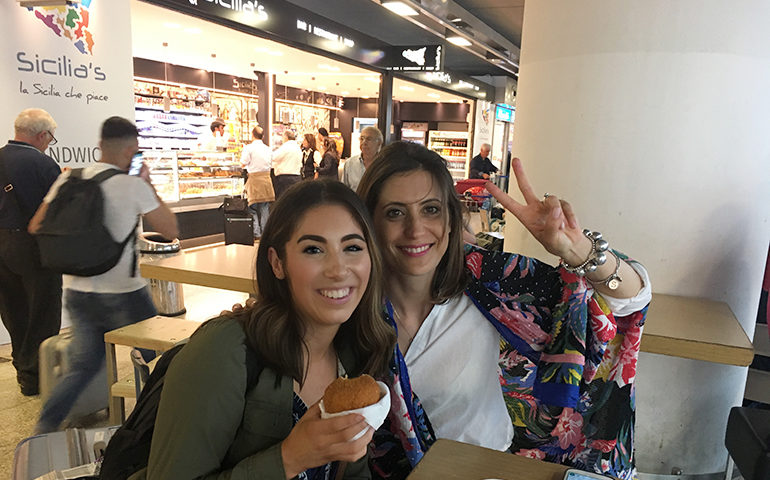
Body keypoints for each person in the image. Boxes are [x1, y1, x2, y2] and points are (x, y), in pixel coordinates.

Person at [358, 142, 651, 479]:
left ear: (452, 219)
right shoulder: (349, 312)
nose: (415, 229)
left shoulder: (494, 285)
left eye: (431, 210)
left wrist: (577, 249)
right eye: (395, 212)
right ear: (369, 224)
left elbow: (630, 299)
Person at [137, 179, 396, 479]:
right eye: (313, 249)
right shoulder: (224, 353)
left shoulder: (354, 355)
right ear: (277, 263)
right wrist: (289, 458)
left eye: (352, 247)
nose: (338, 270)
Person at [31, 117, 178, 433]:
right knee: (156, 356)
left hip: (77, 290)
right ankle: (160, 420)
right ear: (131, 150)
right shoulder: (133, 185)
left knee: (83, 366)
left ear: (100, 146)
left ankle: (44, 428)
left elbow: (36, 225)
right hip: (125, 291)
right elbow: (170, 229)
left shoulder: (69, 179)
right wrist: (147, 183)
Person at [0, 108, 62, 396]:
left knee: (13, 310)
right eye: (50, 137)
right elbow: (58, 211)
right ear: (41, 134)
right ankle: (39, 375)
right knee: (43, 310)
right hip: (33, 246)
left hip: (2, 244)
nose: (50, 142)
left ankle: (23, 372)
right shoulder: (43, 164)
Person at [240, 126, 274, 238]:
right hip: (266, 180)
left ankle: (256, 233)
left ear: (252, 135)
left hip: (254, 180)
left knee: (252, 208)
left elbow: (243, 163)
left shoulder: (248, 148)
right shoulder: (268, 149)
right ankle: (266, 233)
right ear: (263, 136)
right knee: (264, 208)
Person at [343, 126, 383, 192]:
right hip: (354, 202)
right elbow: (344, 190)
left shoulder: (384, 164)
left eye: (368, 139)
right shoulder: (349, 163)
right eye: (362, 139)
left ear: (379, 143)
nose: (364, 142)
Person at [271, 130, 302, 199]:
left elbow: (274, 157)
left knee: (283, 200)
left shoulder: (286, 146)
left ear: (285, 137)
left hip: (285, 178)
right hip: (296, 177)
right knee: (294, 199)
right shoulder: (297, 147)